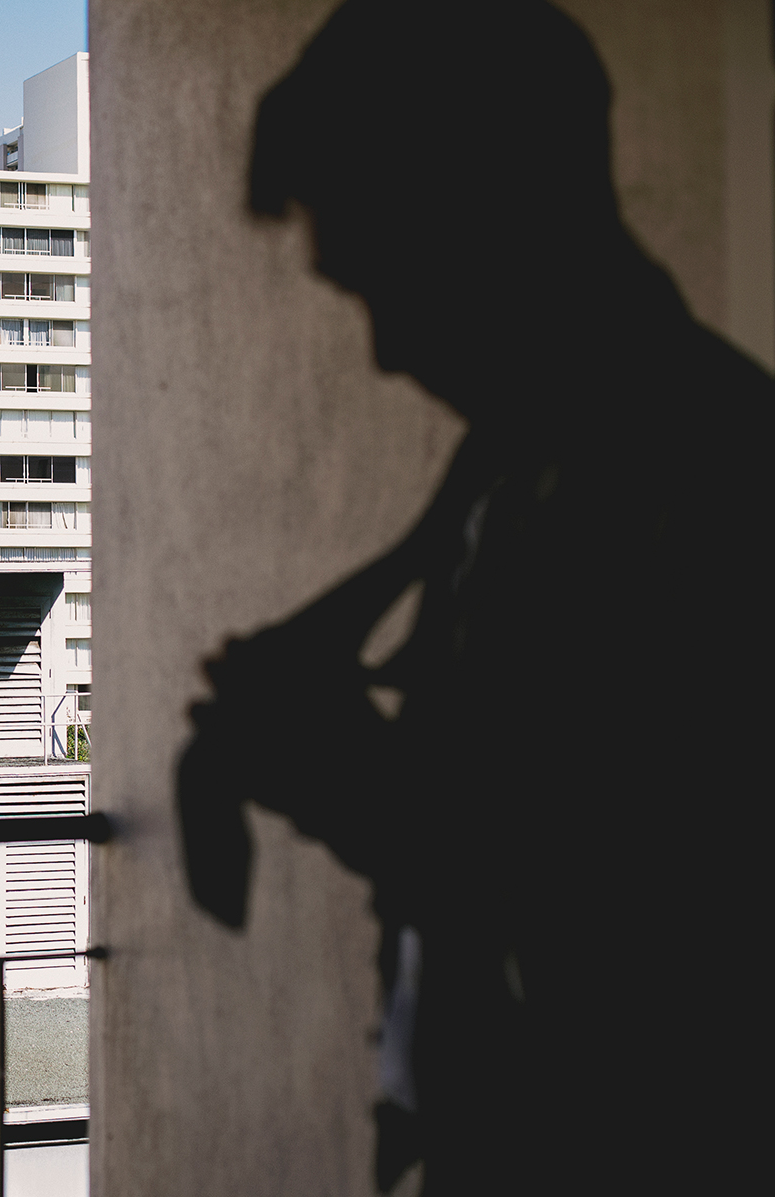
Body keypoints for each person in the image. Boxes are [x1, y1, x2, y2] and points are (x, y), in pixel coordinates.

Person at [177, 1, 771, 1190]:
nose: (386, 352)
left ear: (492, 213)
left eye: (384, 276)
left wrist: (363, 791)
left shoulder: (708, 480)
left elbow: (661, 937)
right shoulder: (520, 462)